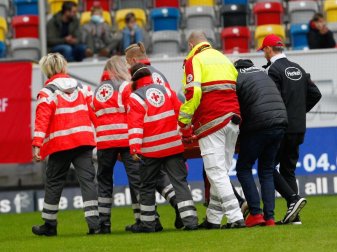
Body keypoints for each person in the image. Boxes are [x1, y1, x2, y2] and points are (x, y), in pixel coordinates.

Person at [178, 31, 245, 229]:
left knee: (215, 172)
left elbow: (193, 92)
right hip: (233, 119)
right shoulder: (223, 58)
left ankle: (235, 217)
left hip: (211, 120)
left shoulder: (195, 60)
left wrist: (183, 120)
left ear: (191, 45)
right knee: (221, 172)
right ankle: (213, 218)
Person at [31, 53, 100, 236]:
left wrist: (37, 144)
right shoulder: (82, 88)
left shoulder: (47, 92)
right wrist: (101, 135)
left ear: (47, 70)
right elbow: (94, 114)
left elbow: (42, 120)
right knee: (88, 182)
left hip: (60, 143)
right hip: (83, 141)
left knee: (54, 182)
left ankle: (50, 225)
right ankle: (94, 225)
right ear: (64, 66)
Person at [127, 63, 198, 232]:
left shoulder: (135, 97)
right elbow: (182, 113)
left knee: (147, 186)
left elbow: (135, 125)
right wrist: (187, 135)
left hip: (151, 150)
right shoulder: (166, 90)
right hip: (173, 145)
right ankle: (190, 221)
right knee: (180, 182)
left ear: (134, 80)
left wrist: (135, 148)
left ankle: (148, 224)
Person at [259, 34, 321, 224]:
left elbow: (273, 100)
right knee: (288, 170)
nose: (263, 54)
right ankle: (295, 217)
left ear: (269, 50)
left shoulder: (273, 71)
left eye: (263, 51)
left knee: (266, 167)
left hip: (281, 127)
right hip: (299, 127)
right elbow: (316, 94)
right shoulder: (298, 68)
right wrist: (298, 111)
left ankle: (292, 200)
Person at [125, 42, 184, 230]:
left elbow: (141, 107)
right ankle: (178, 211)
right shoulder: (159, 74)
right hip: (169, 137)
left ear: (134, 61)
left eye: (128, 63)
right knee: (159, 178)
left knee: (147, 180)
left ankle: (151, 220)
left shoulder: (141, 79)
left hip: (151, 139)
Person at [234, 59, 288, 227]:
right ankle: (270, 217)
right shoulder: (264, 75)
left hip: (259, 125)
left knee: (243, 168)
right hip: (280, 122)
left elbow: (236, 108)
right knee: (266, 170)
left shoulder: (238, 79)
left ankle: (256, 214)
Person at [90, 56, 141, 234]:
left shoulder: (98, 90)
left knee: (104, 181)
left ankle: (104, 224)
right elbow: (134, 110)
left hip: (105, 141)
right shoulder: (126, 86)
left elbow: (94, 112)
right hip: (126, 139)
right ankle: (143, 218)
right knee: (136, 179)